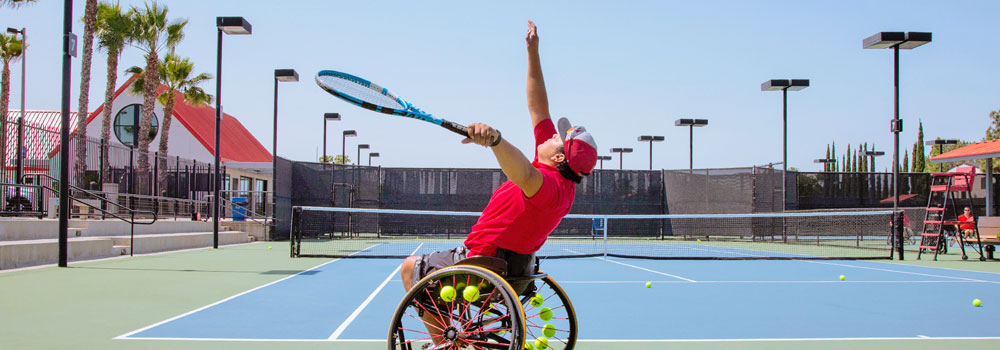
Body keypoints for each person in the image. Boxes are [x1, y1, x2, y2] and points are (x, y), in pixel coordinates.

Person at [398, 20, 598, 347]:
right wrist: (533, 52)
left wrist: (494, 140)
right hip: (509, 272)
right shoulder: (562, 181)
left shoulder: (547, 185)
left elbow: (520, 171)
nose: (549, 133)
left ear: (560, 157)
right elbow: (537, 104)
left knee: (410, 269)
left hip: (480, 265)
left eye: (557, 137)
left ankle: (447, 343)